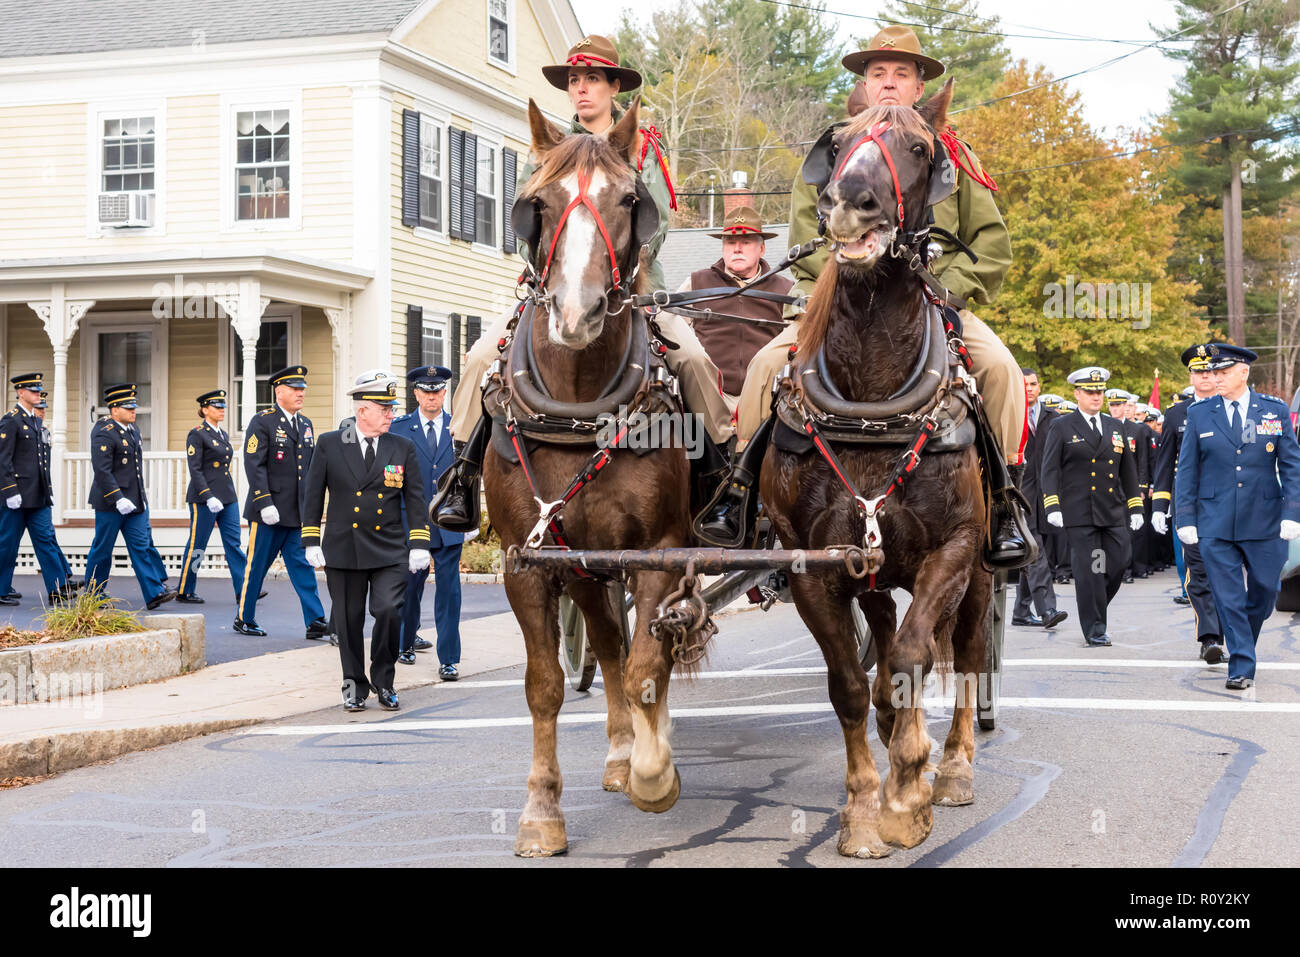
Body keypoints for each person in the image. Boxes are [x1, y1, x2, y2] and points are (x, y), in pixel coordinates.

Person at [706, 25, 1030, 560]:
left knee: (1000, 371)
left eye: (901, 73)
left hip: (931, 303)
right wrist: (817, 293)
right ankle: (741, 496)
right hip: (837, 304)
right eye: (878, 73)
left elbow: (991, 244)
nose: (888, 84)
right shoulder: (834, 149)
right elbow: (807, 240)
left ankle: (1004, 505)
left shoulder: (950, 154)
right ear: (864, 81)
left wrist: (950, 291)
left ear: (919, 86)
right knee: (765, 368)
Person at [434, 33, 734, 531]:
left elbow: (652, 229)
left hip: (631, 288)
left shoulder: (640, 146)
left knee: (692, 358)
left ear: (614, 85)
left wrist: (610, 265)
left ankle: (723, 482)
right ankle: (462, 478)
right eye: (574, 80)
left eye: (592, 78)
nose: (581, 89)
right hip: (550, 288)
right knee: (481, 357)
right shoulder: (549, 150)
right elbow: (527, 228)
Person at [302, 372, 430, 711]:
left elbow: (416, 498)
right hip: (344, 548)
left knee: (388, 610)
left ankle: (384, 681)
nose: (391, 415)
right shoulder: (330, 444)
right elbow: (313, 494)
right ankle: (354, 684)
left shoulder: (402, 447)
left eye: (391, 409)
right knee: (348, 619)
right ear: (363, 412)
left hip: (389, 548)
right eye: (384, 409)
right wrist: (311, 538)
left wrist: (419, 542)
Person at [1174, 344, 1300, 690]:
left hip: (1265, 520)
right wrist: (1185, 518)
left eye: (1223, 373)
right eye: (1212, 373)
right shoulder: (1200, 414)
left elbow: (1291, 465)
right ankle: (1242, 664)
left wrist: (1293, 511)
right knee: (1228, 598)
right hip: (1215, 521)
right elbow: (1186, 472)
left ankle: (1244, 641)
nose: (1215, 379)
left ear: (1243, 373)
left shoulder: (1272, 411)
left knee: (1265, 591)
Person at [1040, 367, 1143, 647]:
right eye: (1090, 392)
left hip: (1111, 511)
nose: (1096, 396)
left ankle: (1096, 605)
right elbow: (1049, 470)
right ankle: (1095, 628)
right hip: (1080, 513)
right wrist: (1052, 505)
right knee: (1091, 571)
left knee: (1119, 561)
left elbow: (1128, 472)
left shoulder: (1114, 425)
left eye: (1099, 392)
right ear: (1077, 394)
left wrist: (1135, 508)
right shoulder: (1062, 426)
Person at [235, 366, 329, 639]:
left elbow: (309, 468)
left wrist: (310, 509)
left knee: (302, 567)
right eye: (295, 389)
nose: (301, 393)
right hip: (268, 513)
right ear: (279, 392)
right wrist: (264, 502)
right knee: (256, 567)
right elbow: (254, 464)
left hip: (295, 512)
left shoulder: (306, 424)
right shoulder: (263, 421)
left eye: (303, 389)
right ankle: (244, 617)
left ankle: (315, 620)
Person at [675, 206, 793, 417]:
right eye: (730, 242)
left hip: (767, 398)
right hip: (708, 395)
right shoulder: (697, 283)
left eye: (746, 242)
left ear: (762, 249)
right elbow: (671, 329)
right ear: (723, 248)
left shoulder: (785, 289)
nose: (737, 248)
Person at [1151, 344, 1224, 661]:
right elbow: (1165, 463)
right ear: (1191, 376)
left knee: (1225, 570)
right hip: (1189, 504)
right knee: (1199, 570)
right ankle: (1209, 638)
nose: (1205, 377)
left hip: (1227, 502)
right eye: (1199, 371)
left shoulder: (1230, 407)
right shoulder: (1176, 414)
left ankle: (1229, 631)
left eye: (1210, 371)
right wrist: (1159, 505)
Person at [392, 366, 465, 680]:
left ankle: (449, 658)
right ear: (416, 393)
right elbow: (392, 480)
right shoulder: (399, 428)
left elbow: (472, 474)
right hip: (413, 522)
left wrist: (471, 514)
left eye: (437, 391)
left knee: (449, 594)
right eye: (426, 390)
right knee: (410, 588)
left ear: (444, 393)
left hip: (450, 522)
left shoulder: (460, 427)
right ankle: (405, 642)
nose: (432, 396)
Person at [82, 383, 177, 609]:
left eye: (134, 407)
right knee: (103, 549)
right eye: (128, 408)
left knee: (141, 546)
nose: (134, 411)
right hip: (110, 502)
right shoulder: (104, 431)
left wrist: (139, 497)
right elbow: (102, 469)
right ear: (114, 410)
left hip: (133, 501)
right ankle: (94, 593)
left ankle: (153, 592)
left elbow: (135, 469)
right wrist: (117, 497)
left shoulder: (132, 430)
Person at [0, 373, 78, 604]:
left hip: (37, 495)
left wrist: (47, 491)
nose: (37, 394)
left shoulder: (35, 421)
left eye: (38, 390)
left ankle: (57, 589)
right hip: (17, 496)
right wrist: (10, 491)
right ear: (20, 393)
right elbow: (3, 459)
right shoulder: (11, 420)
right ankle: (1, 589)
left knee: (46, 539)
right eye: (33, 391)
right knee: (7, 544)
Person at [174, 389, 252, 605]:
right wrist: (207, 495)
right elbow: (195, 469)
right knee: (198, 545)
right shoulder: (197, 434)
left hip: (227, 495)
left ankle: (244, 588)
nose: (222, 411)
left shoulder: (222, 434)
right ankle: (185, 589)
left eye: (223, 407)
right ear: (205, 410)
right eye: (217, 407)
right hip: (205, 498)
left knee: (234, 544)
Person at [1012, 369, 1067, 629]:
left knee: (1035, 549)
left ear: (1039, 386)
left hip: (1048, 496)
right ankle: (1048, 610)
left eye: (1033, 384)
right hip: (1020, 495)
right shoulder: (1010, 415)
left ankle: (1021, 611)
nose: (1029, 389)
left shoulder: (1054, 418)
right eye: (1024, 385)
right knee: (1036, 550)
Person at [1108, 389, 1152, 583]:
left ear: (1126, 406)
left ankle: (1127, 569)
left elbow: (1143, 460)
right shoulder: (1104, 426)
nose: (1116, 408)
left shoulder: (1137, 429)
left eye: (1119, 405)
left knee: (1130, 530)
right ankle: (1112, 567)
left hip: (1129, 487)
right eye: (1113, 405)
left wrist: (1142, 487)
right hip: (1108, 487)